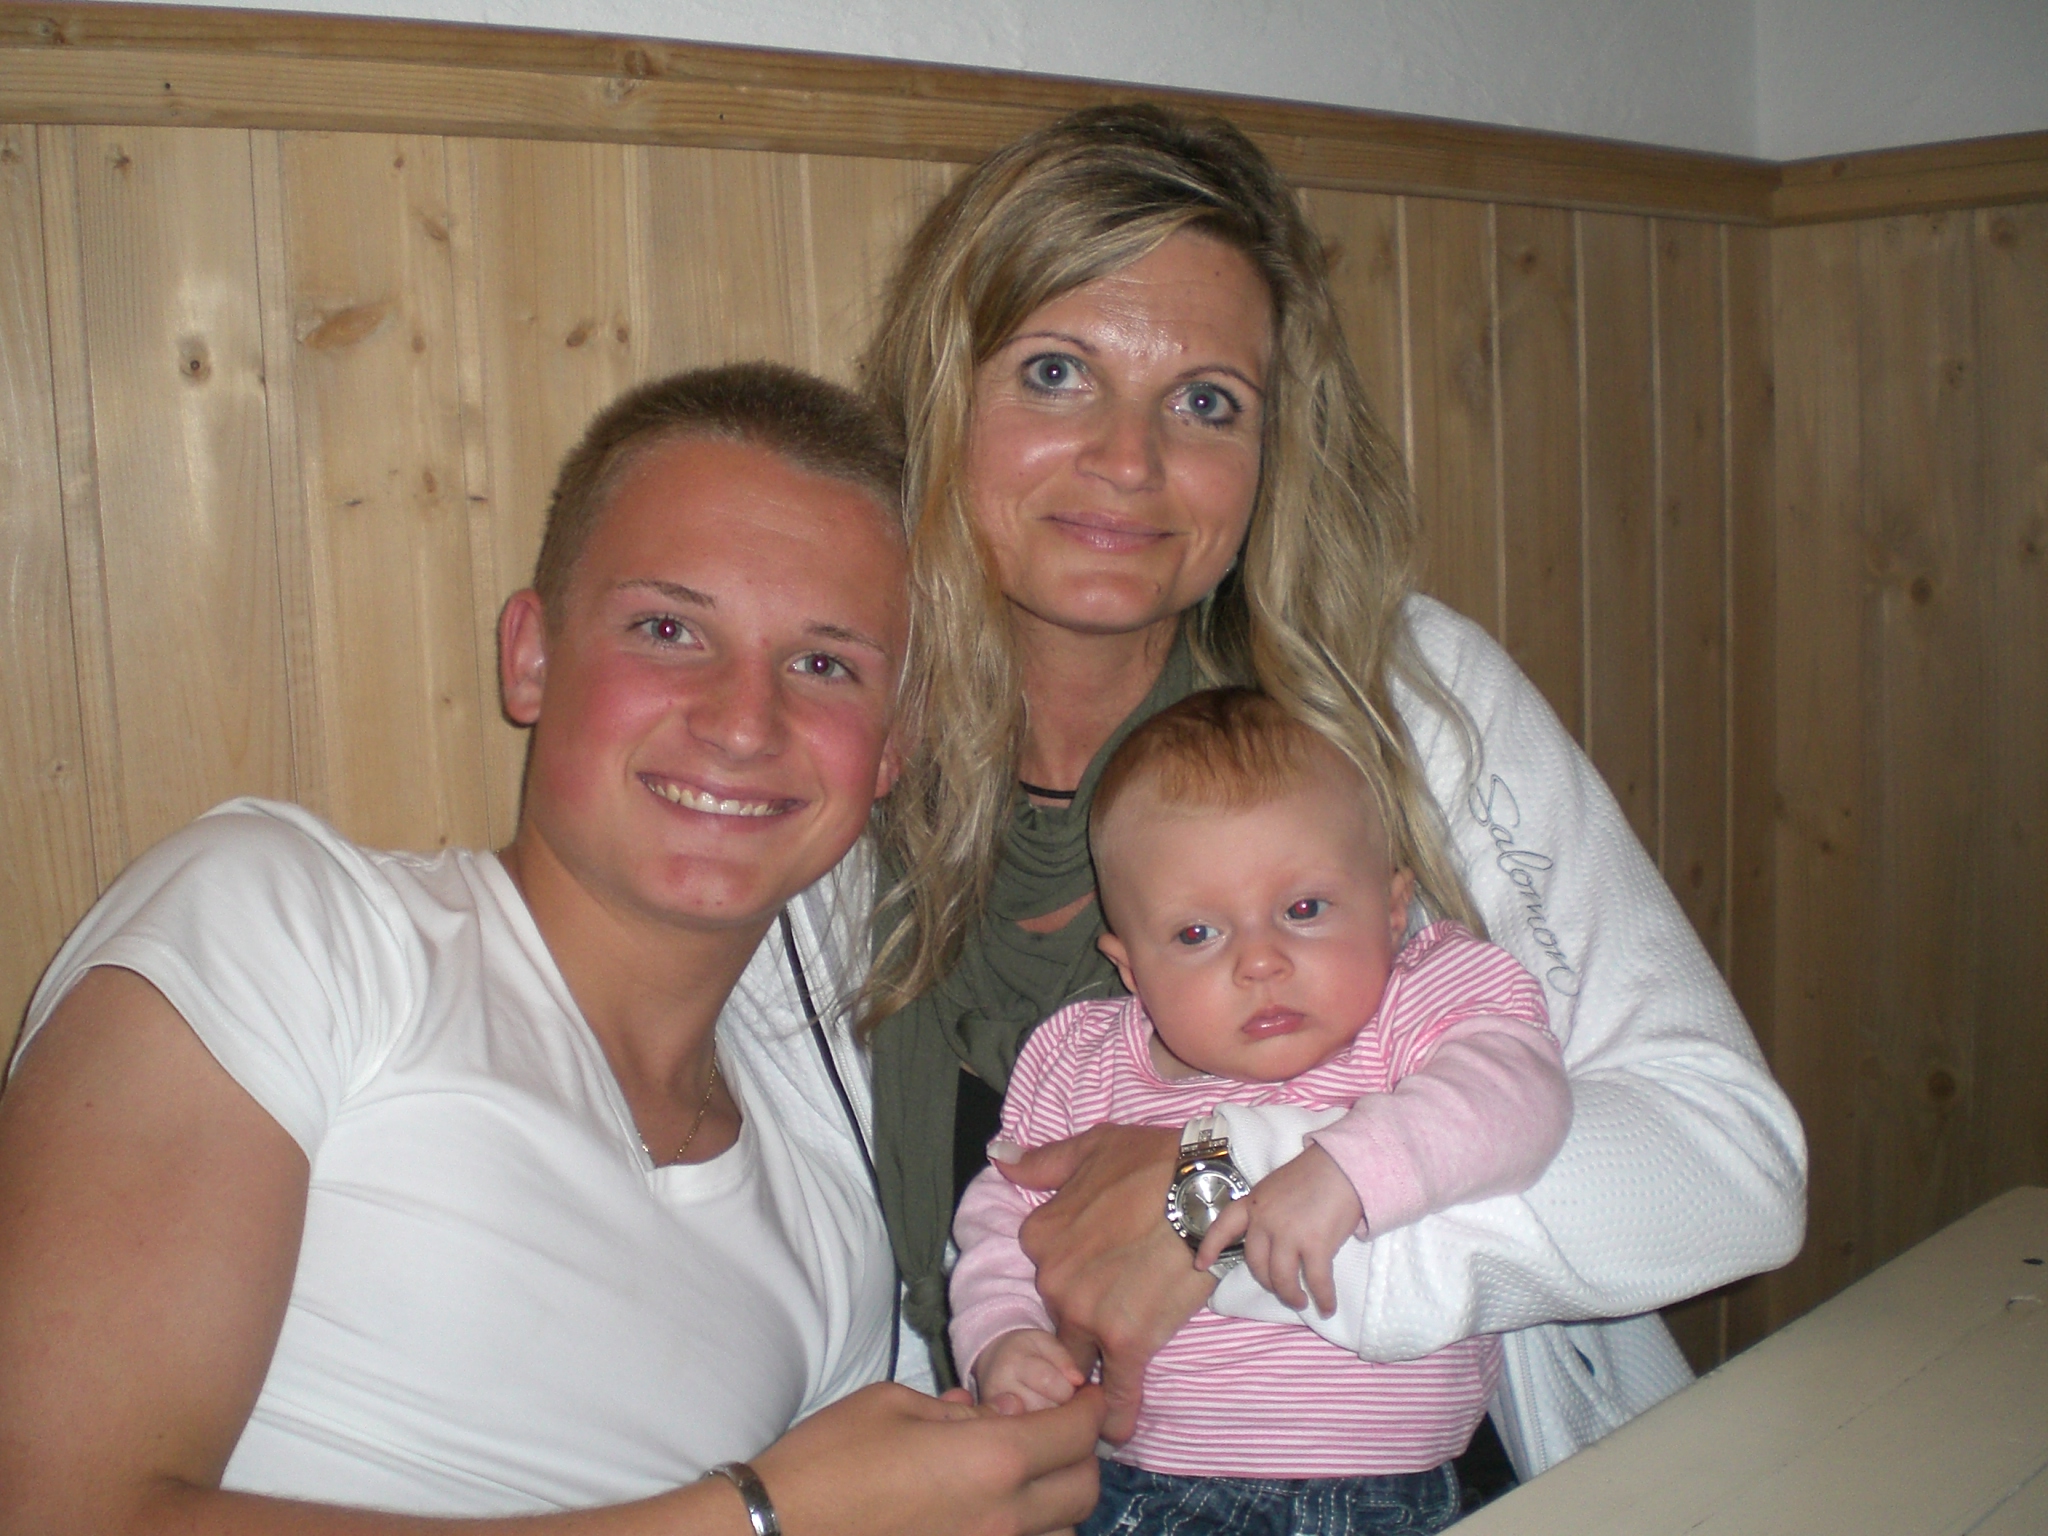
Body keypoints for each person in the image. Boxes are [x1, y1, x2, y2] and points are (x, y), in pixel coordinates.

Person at [856, 103, 1807, 1480]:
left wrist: (1223, 1191)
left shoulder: (1398, 698)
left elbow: (1725, 1170)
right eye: (1056, 373)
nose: (1129, 459)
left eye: (1205, 401)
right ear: (947, 396)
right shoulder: (825, 748)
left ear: (1273, 448)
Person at [0, 364, 1104, 1536]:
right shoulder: (283, 924)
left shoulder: (831, 1197)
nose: (743, 722)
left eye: (823, 663)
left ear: (890, 748)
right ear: (531, 656)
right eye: (668, 630)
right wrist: (754, 1522)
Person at [951, 688, 1572, 1534]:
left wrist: (1349, 1166)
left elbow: (1518, 1094)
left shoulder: (1419, 1005)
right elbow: (1005, 1216)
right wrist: (1003, 1337)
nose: (1260, 962)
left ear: (1393, 908)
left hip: (1377, 1494)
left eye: (1303, 910)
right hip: (1138, 1486)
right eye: (1197, 935)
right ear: (1129, 967)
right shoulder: (1081, 1063)